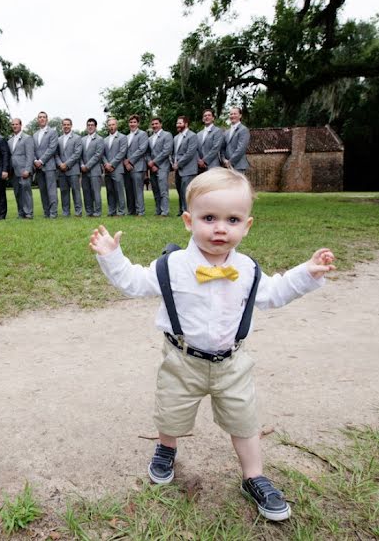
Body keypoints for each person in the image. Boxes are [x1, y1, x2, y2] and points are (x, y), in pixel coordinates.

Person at [89, 168, 335, 522]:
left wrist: (306, 273)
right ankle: (166, 447)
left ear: (246, 226)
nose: (220, 228)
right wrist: (112, 256)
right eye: (209, 218)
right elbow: (135, 283)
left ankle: (254, 476)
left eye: (232, 219)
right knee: (171, 411)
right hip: (181, 360)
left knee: (244, 421)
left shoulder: (248, 270)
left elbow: (275, 292)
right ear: (189, 221)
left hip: (232, 364)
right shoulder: (171, 266)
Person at [32, 111, 59, 218]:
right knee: (43, 191)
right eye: (40, 117)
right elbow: (32, 150)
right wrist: (35, 161)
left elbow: (52, 148)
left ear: (47, 119)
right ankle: (46, 212)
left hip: (49, 166)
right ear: (37, 120)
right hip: (38, 168)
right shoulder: (34, 134)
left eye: (44, 117)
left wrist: (41, 161)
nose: (42, 119)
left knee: (51, 191)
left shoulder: (52, 132)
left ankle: (53, 213)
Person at [8, 117, 35, 219]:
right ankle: (21, 213)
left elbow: (30, 155)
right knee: (17, 193)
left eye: (16, 124)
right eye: (13, 124)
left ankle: (28, 213)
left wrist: (27, 169)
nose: (14, 126)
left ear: (20, 125)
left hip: (24, 170)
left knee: (26, 192)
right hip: (14, 171)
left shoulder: (27, 138)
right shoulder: (10, 140)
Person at [56, 118, 83, 217]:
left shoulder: (77, 138)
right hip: (61, 171)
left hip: (73, 170)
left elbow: (77, 154)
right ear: (62, 126)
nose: (66, 126)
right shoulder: (58, 139)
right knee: (64, 192)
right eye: (64, 124)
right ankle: (66, 212)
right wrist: (60, 164)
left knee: (76, 192)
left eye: (68, 124)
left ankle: (78, 212)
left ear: (71, 125)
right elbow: (56, 154)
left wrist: (66, 164)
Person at [172, 116, 199, 215]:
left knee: (187, 192)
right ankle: (181, 210)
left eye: (180, 123)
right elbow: (174, 153)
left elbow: (190, 153)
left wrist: (178, 164)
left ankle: (188, 211)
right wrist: (173, 163)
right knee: (180, 190)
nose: (177, 125)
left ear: (186, 124)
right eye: (177, 123)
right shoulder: (176, 137)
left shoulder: (192, 136)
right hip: (177, 169)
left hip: (188, 168)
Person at [123, 115, 149, 216]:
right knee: (129, 190)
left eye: (134, 122)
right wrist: (125, 162)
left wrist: (130, 161)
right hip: (127, 168)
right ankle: (131, 211)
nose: (132, 124)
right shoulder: (127, 136)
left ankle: (140, 211)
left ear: (138, 123)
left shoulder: (143, 134)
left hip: (138, 167)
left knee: (138, 190)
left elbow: (142, 150)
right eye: (130, 122)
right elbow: (123, 151)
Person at [147, 117, 173, 217]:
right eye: (153, 124)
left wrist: (154, 162)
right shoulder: (150, 138)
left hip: (162, 166)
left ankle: (165, 211)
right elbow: (147, 153)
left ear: (161, 124)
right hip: (152, 168)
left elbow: (166, 151)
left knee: (163, 190)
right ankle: (158, 210)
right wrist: (150, 162)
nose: (154, 126)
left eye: (156, 124)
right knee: (155, 190)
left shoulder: (167, 135)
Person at [102, 117, 128, 217]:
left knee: (119, 191)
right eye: (109, 125)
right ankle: (111, 211)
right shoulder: (105, 140)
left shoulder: (122, 137)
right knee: (110, 191)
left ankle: (121, 212)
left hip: (117, 169)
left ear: (116, 125)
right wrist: (106, 164)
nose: (111, 127)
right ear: (107, 127)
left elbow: (122, 152)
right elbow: (102, 154)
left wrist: (111, 164)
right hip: (107, 169)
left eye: (113, 124)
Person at [80, 118, 105, 218]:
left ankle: (97, 212)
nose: (90, 126)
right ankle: (89, 211)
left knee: (96, 192)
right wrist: (82, 165)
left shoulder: (100, 139)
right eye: (88, 125)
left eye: (92, 125)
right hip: (84, 171)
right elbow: (80, 155)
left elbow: (98, 155)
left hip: (94, 170)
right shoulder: (82, 140)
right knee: (86, 192)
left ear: (95, 127)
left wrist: (87, 166)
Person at [222, 107, 251, 173]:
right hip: (226, 166)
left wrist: (230, 162)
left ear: (240, 115)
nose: (232, 116)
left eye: (235, 114)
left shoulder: (243, 130)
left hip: (238, 166)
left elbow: (241, 149)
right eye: (231, 114)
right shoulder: (226, 132)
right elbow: (222, 148)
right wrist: (224, 160)